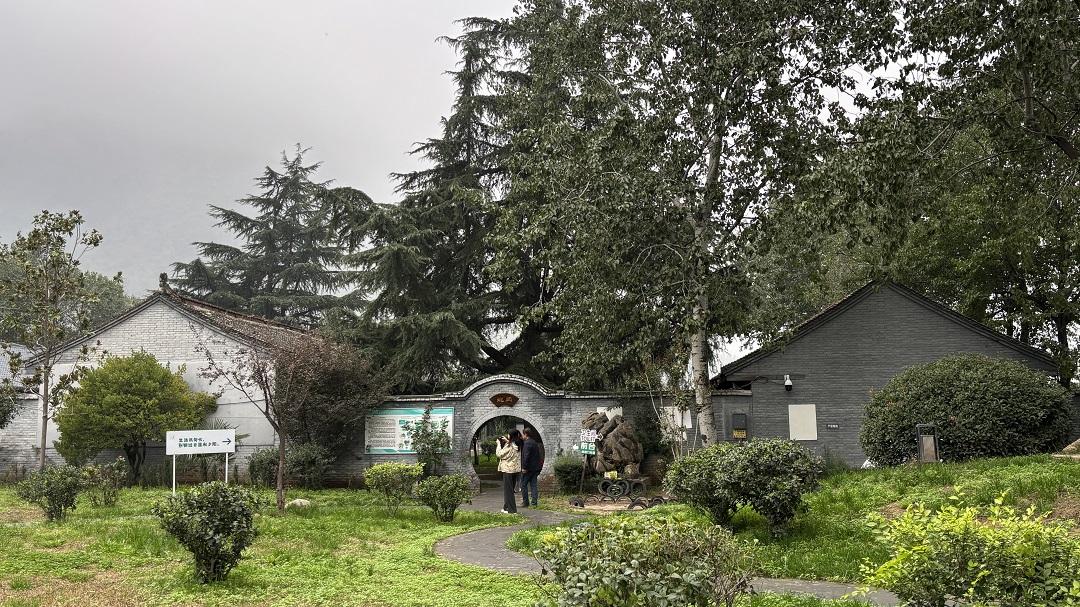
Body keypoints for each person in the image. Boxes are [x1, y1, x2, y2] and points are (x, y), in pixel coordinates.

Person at [495, 429, 523, 514]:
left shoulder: (509, 446)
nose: (507, 436)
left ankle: (512, 510)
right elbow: (513, 446)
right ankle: (506, 508)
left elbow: (499, 454)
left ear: (511, 436)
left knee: (508, 491)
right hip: (515, 470)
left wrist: (498, 444)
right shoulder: (518, 444)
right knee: (510, 490)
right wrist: (507, 441)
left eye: (508, 434)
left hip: (508, 470)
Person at [519, 427, 543, 508]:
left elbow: (526, 456)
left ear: (525, 434)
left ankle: (525, 502)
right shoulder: (534, 442)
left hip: (528, 469)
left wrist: (524, 467)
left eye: (523, 434)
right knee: (533, 485)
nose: (522, 436)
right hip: (535, 468)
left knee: (523, 485)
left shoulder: (527, 443)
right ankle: (534, 503)